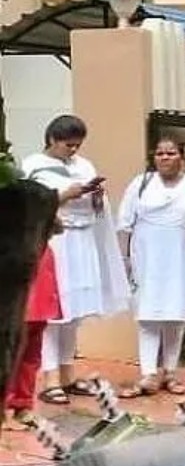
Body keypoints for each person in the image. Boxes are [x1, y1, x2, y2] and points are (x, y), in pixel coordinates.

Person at [21, 115, 129, 405]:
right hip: (56, 240)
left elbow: (97, 205)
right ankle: (50, 376)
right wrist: (65, 194)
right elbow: (30, 203)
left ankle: (68, 373)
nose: (73, 150)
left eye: (77, 145)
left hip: (82, 241)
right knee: (54, 312)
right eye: (68, 145)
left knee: (74, 312)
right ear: (52, 140)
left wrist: (96, 194)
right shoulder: (33, 166)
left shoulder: (83, 166)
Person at [116, 137, 185, 398]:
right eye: (160, 153)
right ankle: (148, 373)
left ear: (182, 157)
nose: (164, 158)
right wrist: (125, 261)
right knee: (148, 316)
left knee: (174, 318)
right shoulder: (141, 185)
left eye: (171, 153)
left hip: (181, 260)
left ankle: (170, 371)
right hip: (147, 260)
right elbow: (124, 224)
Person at [4, 193, 63, 429]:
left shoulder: (45, 247)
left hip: (41, 307)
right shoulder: (17, 243)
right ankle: (6, 411)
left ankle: (23, 405)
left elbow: (58, 226)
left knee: (31, 357)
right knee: (12, 357)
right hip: (21, 308)